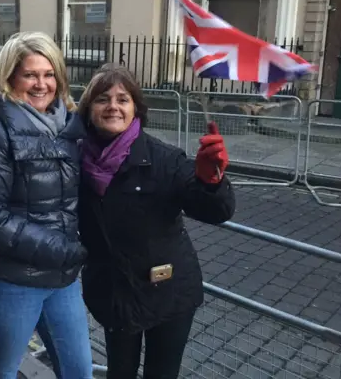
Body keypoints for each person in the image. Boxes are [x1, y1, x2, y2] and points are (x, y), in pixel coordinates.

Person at [77, 64, 236, 379]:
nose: (113, 106)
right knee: (120, 372)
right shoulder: (76, 159)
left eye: (123, 99)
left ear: (135, 108)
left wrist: (211, 181)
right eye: (102, 99)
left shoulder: (163, 158)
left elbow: (214, 210)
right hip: (115, 291)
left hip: (168, 291)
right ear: (89, 109)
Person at [0, 32, 93, 379]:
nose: (42, 84)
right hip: (12, 280)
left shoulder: (69, 126)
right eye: (30, 75)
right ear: (10, 78)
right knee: (4, 371)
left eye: (49, 74)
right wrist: (57, 248)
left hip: (62, 278)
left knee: (79, 371)